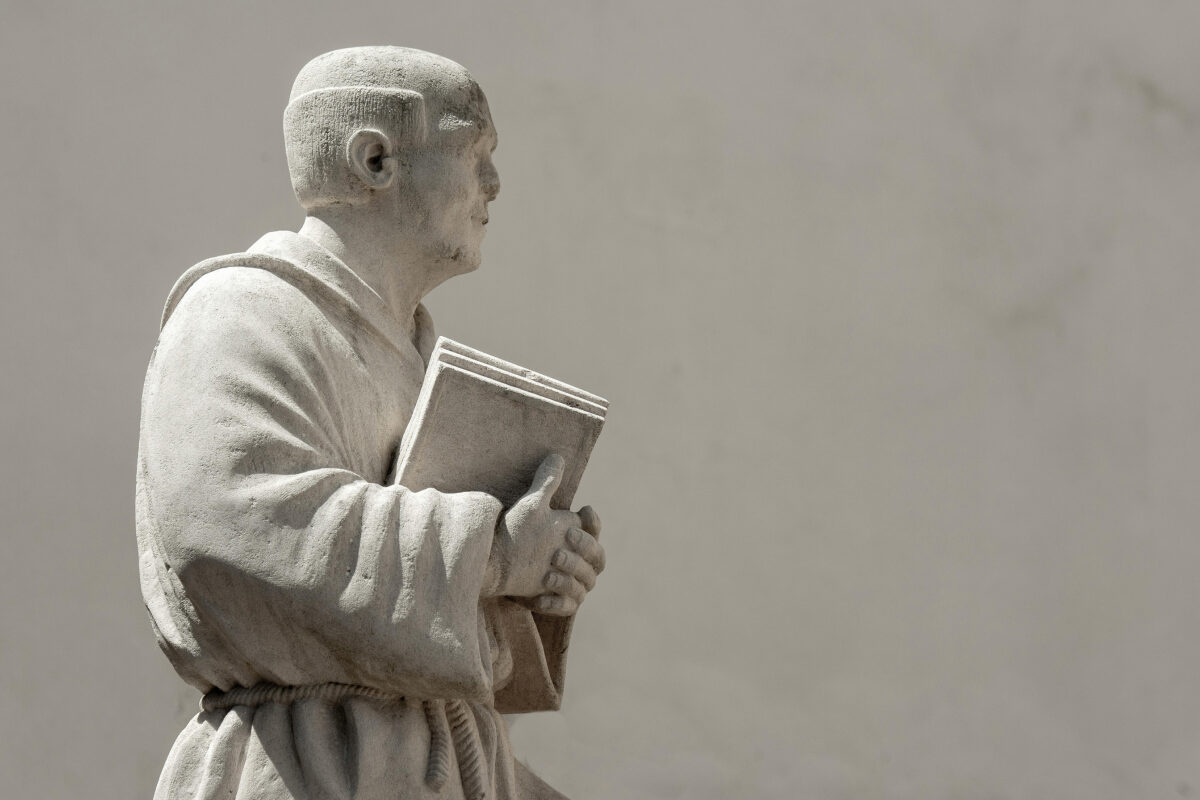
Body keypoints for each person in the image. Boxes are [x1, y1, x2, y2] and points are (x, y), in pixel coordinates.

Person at [136, 46, 605, 800]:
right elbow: (228, 526)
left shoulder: (418, 362)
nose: (494, 183)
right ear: (376, 159)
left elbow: (434, 636)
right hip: (307, 766)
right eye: (474, 150)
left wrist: (538, 578)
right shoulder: (241, 314)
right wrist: (494, 554)